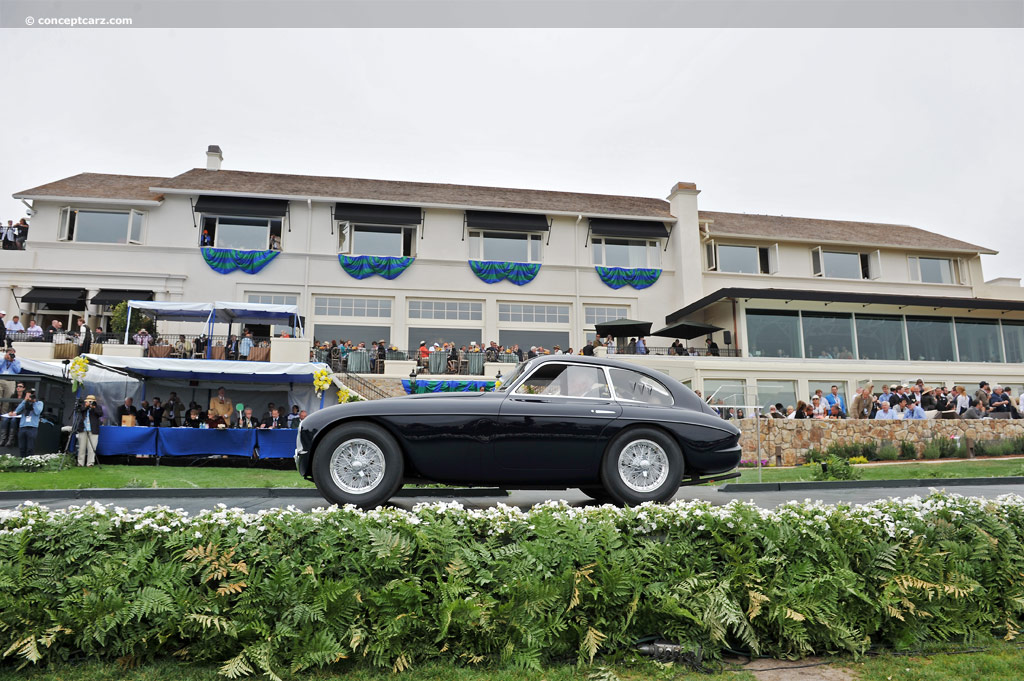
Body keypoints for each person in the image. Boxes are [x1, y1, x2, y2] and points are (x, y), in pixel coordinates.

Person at [14, 389, 43, 457]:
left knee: (30, 447)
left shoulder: (39, 403)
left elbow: (37, 412)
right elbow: (17, 410)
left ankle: (29, 462)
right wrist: (25, 401)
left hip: (32, 427)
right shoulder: (24, 403)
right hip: (23, 427)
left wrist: (34, 402)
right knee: (21, 447)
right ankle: (22, 461)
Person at [76, 395, 103, 467]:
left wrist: (93, 407)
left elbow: (100, 414)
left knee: (92, 447)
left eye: (91, 401)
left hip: (93, 430)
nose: (89, 402)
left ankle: (90, 463)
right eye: (88, 401)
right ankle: (80, 463)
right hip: (83, 429)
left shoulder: (97, 407)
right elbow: (80, 410)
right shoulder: (83, 406)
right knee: (82, 447)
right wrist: (87, 406)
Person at [0, 381, 26, 446]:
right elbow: (10, 406)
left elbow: (24, 407)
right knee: (5, 420)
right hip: (13, 414)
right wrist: (10, 412)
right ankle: (3, 439)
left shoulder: (25, 396)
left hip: (20, 415)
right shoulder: (13, 395)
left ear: (24, 388)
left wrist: (16, 413)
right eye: (17, 386)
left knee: (13, 420)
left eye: (20, 386)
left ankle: (11, 439)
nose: (18, 388)